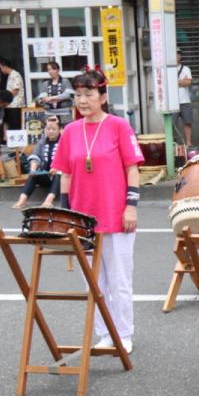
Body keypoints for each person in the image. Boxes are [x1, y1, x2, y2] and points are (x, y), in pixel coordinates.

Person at [51, 69, 144, 354]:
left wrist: (131, 206)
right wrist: (65, 215)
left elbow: (132, 168)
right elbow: (65, 174)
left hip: (116, 214)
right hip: (82, 217)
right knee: (94, 282)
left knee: (119, 280)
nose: (82, 100)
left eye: (88, 94)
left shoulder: (119, 126)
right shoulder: (69, 131)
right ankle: (104, 333)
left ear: (103, 97)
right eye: (78, 95)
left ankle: (124, 334)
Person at [13, 113, 63, 209]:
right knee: (34, 175)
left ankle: (48, 200)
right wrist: (33, 169)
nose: (51, 131)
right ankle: (22, 200)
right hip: (46, 174)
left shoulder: (64, 140)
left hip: (60, 176)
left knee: (59, 173)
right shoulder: (42, 141)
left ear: (59, 130)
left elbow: (67, 158)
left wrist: (57, 167)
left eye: (54, 129)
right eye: (48, 129)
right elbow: (35, 155)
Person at [0, 56, 24, 130]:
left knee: (15, 126)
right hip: (11, 105)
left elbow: (15, 90)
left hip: (15, 105)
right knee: (10, 124)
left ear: (5, 66)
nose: (1, 70)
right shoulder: (10, 75)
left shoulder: (15, 75)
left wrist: (5, 98)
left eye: (1, 68)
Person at [173, 50, 193, 148]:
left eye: (178, 54)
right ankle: (174, 143)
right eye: (174, 54)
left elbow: (189, 82)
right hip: (172, 102)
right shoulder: (168, 69)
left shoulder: (186, 69)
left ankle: (188, 143)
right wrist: (181, 81)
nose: (176, 56)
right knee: (170, 124)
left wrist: (175, 82)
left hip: (185, 100)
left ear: (180, 56)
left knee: (188, 123)